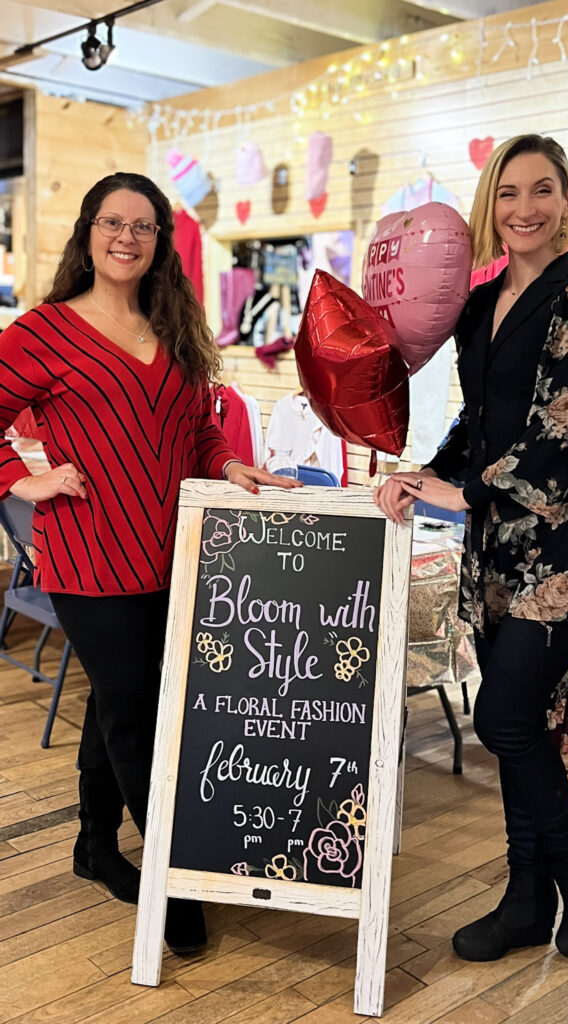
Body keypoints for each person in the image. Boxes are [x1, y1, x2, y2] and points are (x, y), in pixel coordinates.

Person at [0, 172, 300, 954]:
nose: (126, 238)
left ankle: (95, 845)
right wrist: (21, 480)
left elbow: (198, 429)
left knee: (120, 703)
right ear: (87, 233)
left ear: (161, 240)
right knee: (139, 714)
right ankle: (171, 872)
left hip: (175, 553)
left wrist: (229, 463)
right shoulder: (43, 331)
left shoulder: (173, 323)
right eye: (111, 222)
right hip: (88, 558)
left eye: (142, 226)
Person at [375, 135, 568, 961]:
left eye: (542, 190)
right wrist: (427, 471)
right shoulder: (478, 304)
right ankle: (526, 901)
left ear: (565, 202)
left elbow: (561, 424)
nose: (524, 208)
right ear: (491, 203)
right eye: (509, 192)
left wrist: (466, 492)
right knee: (514, 716)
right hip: (496, 547)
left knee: (503, 718)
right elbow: (477, 421)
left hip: (558, 539)